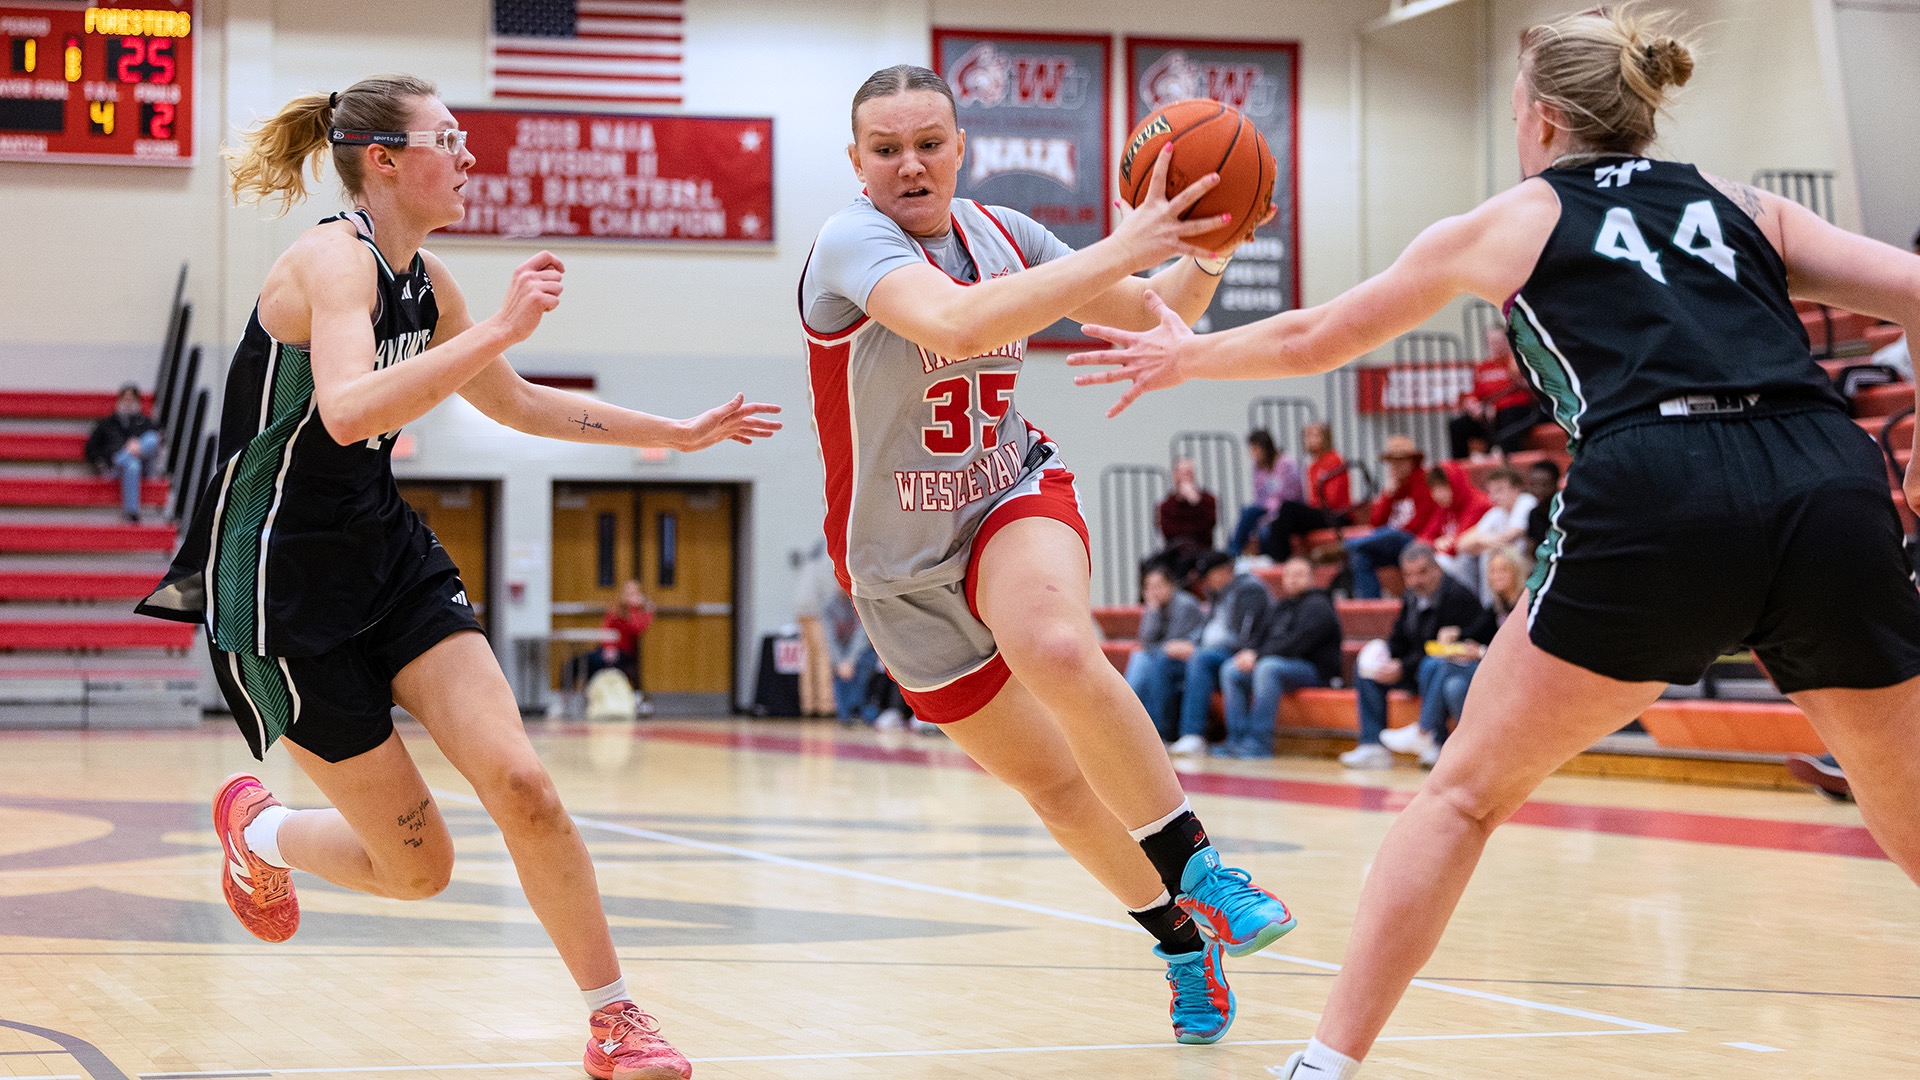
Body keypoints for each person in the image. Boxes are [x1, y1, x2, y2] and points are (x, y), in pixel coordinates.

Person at [1073, 8, 1920, 1074]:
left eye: (1516, 105)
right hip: (1822, 479)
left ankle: (1324, 1065)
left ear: (1547, 120)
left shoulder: (1513, 219)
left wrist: (1180, 359)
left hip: (1659, 486)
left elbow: (1311, 338)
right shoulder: (1742, 204)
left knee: (1465, 795)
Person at [133, 75, 781, 1080]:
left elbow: (516, 404)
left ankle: (615, 1021)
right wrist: (496, 332)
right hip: (280, 591)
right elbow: (346, 409)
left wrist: (674, 433)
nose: (470, 154)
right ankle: (259, 827)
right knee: (419, 871)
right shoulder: (329, 262)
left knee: (523, 780)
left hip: (386, 556)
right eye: (450, 138)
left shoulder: (427, 281)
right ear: (384, 159)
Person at [799, 63, 1296, 1046]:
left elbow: (1161, 314)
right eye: (887, 148)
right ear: (856, 161)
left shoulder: (1005, 234)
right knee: (1055, 788)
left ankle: (1203, 867)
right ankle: (1180, 941)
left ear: (960, 147)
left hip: (1007, 491)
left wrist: (1213, 250)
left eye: (929, 143)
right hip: (897, 568)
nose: (910, 164)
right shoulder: (850, 241)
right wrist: (1123, 241)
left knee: (1057, 647)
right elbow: (953, 321)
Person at [1340, 544, 1494, 770]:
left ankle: (1433, 739)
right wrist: (1389, 658)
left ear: (1436, 570)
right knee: (1367, 669)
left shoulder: (1457, 596)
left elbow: (1439, 649)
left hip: (1448, 668)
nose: (1414, 581)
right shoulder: (1411, 596)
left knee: (1433, 667)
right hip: (1413, 667)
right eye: (1408, 575)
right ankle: (1372, 746)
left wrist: (1402, 667)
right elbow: (1399, 636)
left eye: (1421, 573)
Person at [1218, 557, 1343, 758]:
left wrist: (1257, 656)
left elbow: (1298, 643)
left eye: (1299, 575)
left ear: (1312, 578)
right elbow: (1259, 637)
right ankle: (1236, 739)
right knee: (1231, 669)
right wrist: (1249, 653)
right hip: (1277, 664)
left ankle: (1259, 743)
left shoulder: (1319, 605)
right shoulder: (1282, 606)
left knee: (1268, 667)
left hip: (1314, 670)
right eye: (1289, 575)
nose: (1293, 580)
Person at [1169, 550, 1272, 756]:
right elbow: (1209, 627)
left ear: (1224, 571)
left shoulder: (1250, 589)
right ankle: (1161, 731)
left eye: (1208, 576)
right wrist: (1191, 644)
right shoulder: (1220, 593)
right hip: (1215, 651)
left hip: (1240, 653)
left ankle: (1193, 734)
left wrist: (1198, 649)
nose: (1205, 582)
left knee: (1203, 660)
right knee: (1164, 660)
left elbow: (1247, 635)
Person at [1341, 435, 1438, 599]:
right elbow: (1375, 523)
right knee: (1359, 554)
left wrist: (1393, 532)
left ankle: (1344, 545)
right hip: (1391, 543)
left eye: (1400, 461)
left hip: (1415, 540)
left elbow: (1420, 522)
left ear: (1411, 461)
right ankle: (1370, 606)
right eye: (1392, 462)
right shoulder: (1393, 488)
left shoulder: (1423, 481)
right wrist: (1388, 496)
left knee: (1390, 534)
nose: (1395, 466)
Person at [1125, 561, 1207, 739]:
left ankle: (1151, 730)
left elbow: (1173, 646)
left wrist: (1156, 647)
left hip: (1188, 656)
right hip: (1162, 655)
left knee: (1149, 662)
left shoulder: (1185, 604)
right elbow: (1145, 640)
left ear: (1171, 585)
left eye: (1159, 586)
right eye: (1149, 587)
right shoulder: (1154, 607)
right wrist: (1152, 612)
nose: (1154, 591)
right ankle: (1130, 723)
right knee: (1140, 658)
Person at [1448, 325, 1544, 460]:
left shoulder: (1517, 363)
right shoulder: (1482, 367)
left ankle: (1511, 461)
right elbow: (1474, 394)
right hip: (1489, 413)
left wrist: (1494, 406)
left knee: (1508, 415)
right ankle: (1459, 466)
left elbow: (1529, 390)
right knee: (1457, 425)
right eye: (1492, 342)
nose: (1496, 345)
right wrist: (1474, 405)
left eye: (1499, 341)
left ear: (1507, 341)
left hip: (1518, 410)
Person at [1261, 421, 1352, 557]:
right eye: (1307, 436)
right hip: (1320, 512)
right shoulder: (1312, 466)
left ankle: (1281, 560)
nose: (1310, 440)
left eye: (1315, 436)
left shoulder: (1335, 460)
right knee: (1277, 521)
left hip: (1336, 515)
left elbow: (1332, 500)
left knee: (1288, 508)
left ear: (1326, 438)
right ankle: (1277, 560)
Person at [1451, 467, 1538, 599]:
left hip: (1528, 564)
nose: (1494, 497)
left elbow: (1513, 533)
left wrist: (1484, 541)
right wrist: (1482, 540)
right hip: (1507, 566)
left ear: (1516, 489)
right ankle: (1484, 605)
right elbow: (1461, 544)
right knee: (1465, 560)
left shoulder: (1526, 501)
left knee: (1492, 555)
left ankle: (1490, 605)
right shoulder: (1496, 513)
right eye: (1491, 492)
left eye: (1499, 490)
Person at [85, 383, 162, 522]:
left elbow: (156, 441)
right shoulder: (107, 423)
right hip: (116, 467)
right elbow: (90, 449)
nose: (128, 403)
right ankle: (132, 512)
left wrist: (135, 446)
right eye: (125, 399)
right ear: (119, 401)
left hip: (142, 465)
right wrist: (104, 460)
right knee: (132, 464)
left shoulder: (145, 422)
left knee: (152, 438)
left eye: (132, 399)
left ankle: (124, 455)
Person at [1230, 430, 1304, 555]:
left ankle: (1269, 559)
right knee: (1247, 512)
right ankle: (1233, 553)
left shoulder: (1286, 464)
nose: (1253, 454)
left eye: (1255, 449)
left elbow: (1292, 495)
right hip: (1265, 507)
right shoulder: (1257, 466)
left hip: (1285, 510)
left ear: (1264, 447)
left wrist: (1269, 516)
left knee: (1264, 529)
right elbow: (1259, 495)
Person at [792, 540, 841, 717]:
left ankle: (808, 705)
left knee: (807, 658)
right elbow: (830, 587)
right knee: (823, 656)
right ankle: (825, 705)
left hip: (801, 607)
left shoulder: (813, 552)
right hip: (817, 609)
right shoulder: (829, 554)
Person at [822, 586, 879, 725]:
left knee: (863, 663)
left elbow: (861, 637)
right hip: (841, 656)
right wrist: (840, 662)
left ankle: (858, 709)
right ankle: (846, 714)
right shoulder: (828, 607)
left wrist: (850, 661)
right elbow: (830, 639)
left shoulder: (859, 602)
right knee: (837, 671)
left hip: (861, 652)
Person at [1157, 458, 1219, 575]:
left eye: (1189, 473)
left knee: (1185, 562)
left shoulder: (1208, 500)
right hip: (1174, 551)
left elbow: (1208, 526)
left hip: (1201, 549)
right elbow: (1168, 532)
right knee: (1152, 563)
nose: (1186, 477)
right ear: (1175, 475)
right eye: (1183, 473)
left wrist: (1196, 503)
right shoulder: (1166, 505)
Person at [1522, 457, 1561, 549]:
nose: (1538, 490)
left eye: (1545, 485)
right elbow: (1532, 547)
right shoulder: (1534, 514)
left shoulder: (1564, 510)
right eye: (1533, 485)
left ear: (1556, 484)